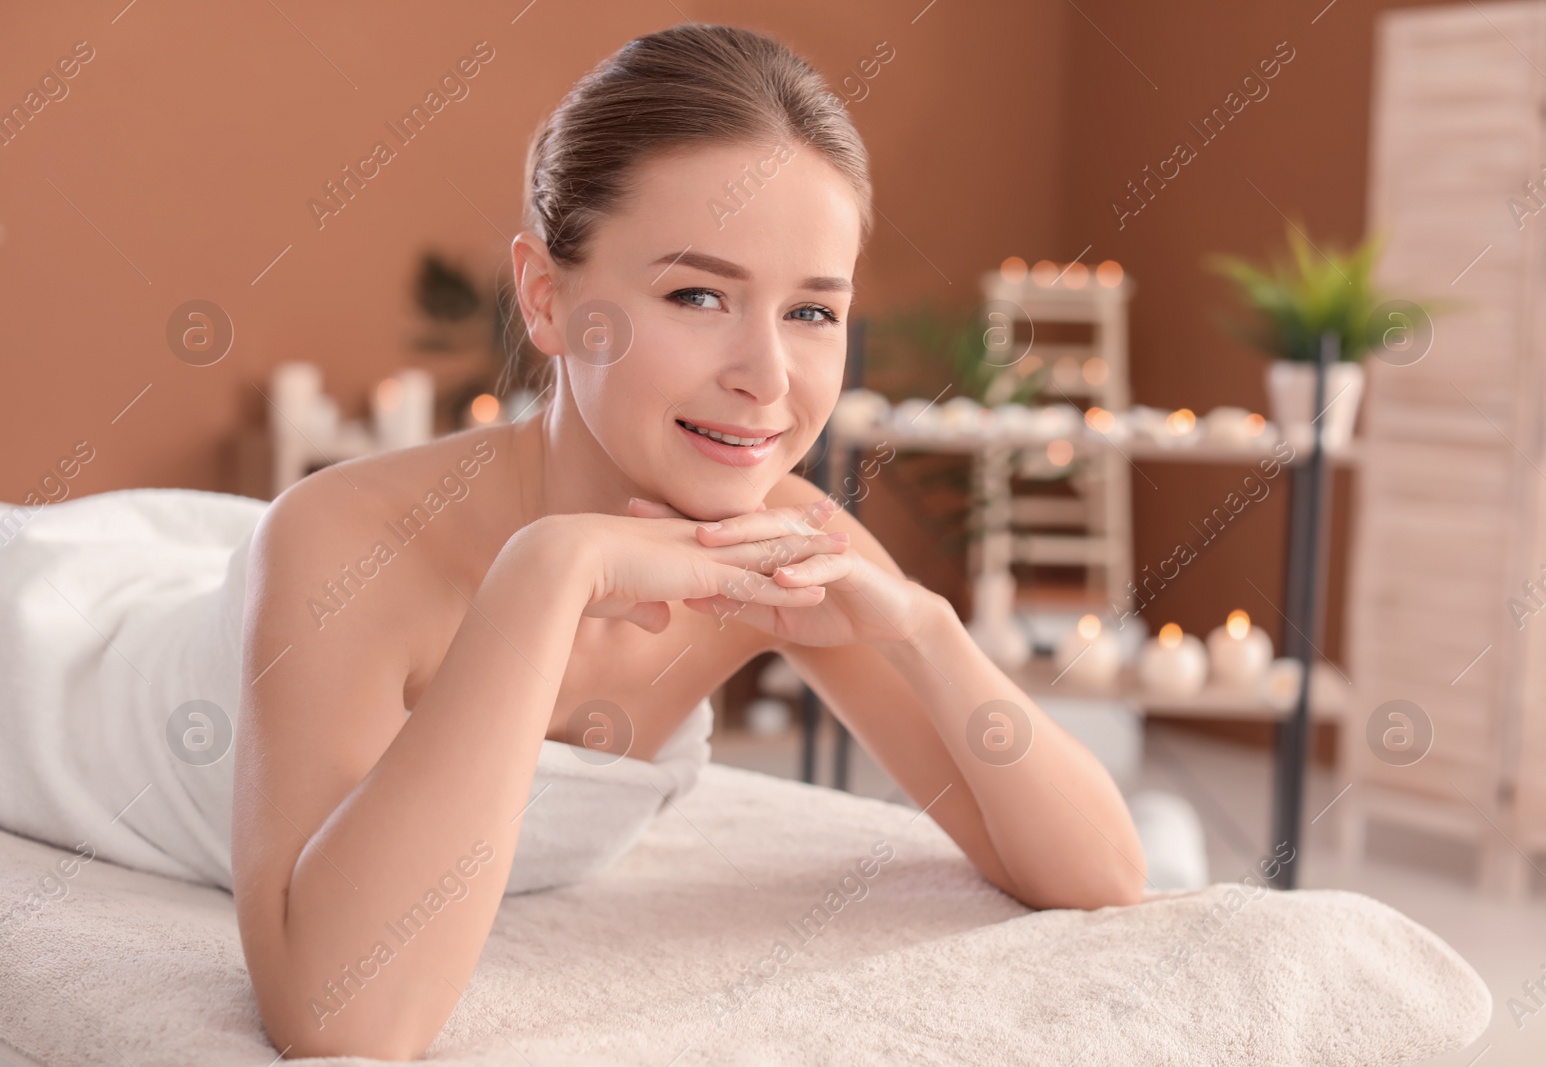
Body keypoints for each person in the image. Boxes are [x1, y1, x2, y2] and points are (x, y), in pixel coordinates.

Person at [1, 23, 1147, 1060]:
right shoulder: (348, 540)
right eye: (699, 296)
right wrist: (549, 575)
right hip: (59, 667)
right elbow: (342, 1015)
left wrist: (922, 628)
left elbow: (1098, 873)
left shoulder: (779, 538)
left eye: (812, 310)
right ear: (546, 299)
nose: (765, 376)